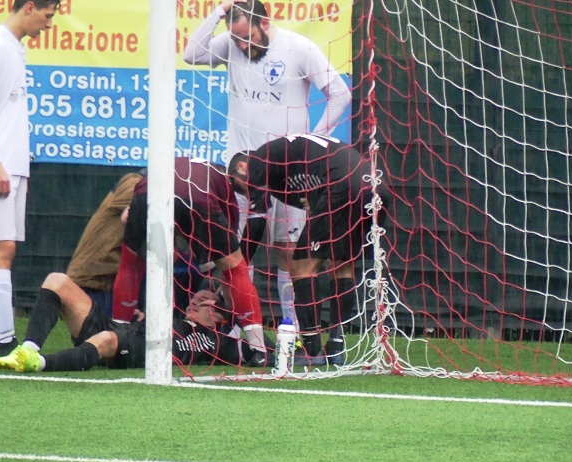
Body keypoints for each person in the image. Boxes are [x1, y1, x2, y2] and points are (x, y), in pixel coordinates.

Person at [182, 0, 352, 327]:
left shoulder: (298, 48)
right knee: (234, 256)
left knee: (288, 252)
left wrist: (312, 142)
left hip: (288, 174)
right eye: (237, 39)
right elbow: (192, 54)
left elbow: (340, 94)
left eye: (248, 38)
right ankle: (238, 332)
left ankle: (294, 330)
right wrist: (219, 12)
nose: (242, 46)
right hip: (242, 175)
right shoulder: (231, 45)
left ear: (264, 22)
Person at [243, 133, 390, 363]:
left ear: (241, 166)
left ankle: (310, 349)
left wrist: (239, 267)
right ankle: (336, 344)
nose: (243, 191)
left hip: (342, 186)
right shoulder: (294, 164)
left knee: (302, 267)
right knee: (341, 266)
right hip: (376, 187)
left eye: (236, 184)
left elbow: (257, 221)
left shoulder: (256, 162)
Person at [0, 0, 60, 362]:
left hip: (8, 165)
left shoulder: (12, 46)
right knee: (2, 248)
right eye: (48, 16)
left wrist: (17, 168)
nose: (49, 25)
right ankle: (6, 342)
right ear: (30, 7)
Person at [110, 156, 269, 367]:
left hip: (147, 194)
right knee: (236, 269)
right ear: (239, 168)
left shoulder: (178, 164)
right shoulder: (224, 187)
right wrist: (230, 303)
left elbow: (131, 207)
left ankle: (117, 336)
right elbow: (228, 266)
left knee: (130, 265)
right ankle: (258, 350)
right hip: (197, 197)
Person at [0, 272, 248, 372]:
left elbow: (257, 350)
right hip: (126, 331)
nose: (194, 302)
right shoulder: (176, 320)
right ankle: (28, 349)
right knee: (57, 281)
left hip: (144, 350)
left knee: (106, 340)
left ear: (217, 316)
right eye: (194, 298)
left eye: (202, 302)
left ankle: (39, 364)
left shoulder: (218, 343)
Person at [65, 171, 144, 316]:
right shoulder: (133, 183)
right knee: (101, 330)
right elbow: (136, 205)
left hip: (110, 281)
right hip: (92, 280)